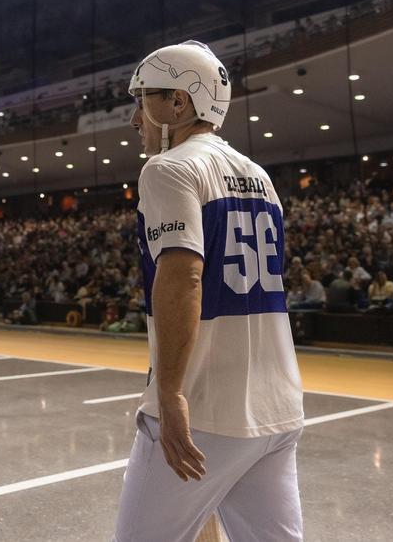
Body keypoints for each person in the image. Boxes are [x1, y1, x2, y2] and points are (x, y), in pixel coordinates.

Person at [114, 41, 304, 541]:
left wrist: (171, 392)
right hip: (277, 406)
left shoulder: (167, 168)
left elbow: (183, 277)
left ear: (179, 102)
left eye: (143, 100)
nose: (136, 119)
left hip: (207, 403)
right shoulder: (259, 176)